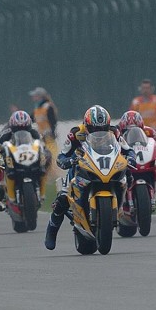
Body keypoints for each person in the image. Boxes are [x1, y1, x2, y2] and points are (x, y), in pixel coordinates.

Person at [44, 106, 136, 250]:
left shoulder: (115, 132)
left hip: (107, 165)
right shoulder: (75, 133)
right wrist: (67, 161)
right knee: (62, 199)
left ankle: (126, 206)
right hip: (80, 167)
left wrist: (131, 158)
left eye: (103, 129)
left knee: (128, 175)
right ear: (87, 126)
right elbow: (62, 155)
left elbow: (128, 150)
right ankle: (51, 230)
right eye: (93, 129)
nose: (98, 132)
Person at [30, 87, 59, 161]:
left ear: (40, 96)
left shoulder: (48, 107)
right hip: (40, 138)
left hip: (49, 137)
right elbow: (30, 119)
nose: (33, 98)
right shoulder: (37, 109)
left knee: (53, 157)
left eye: (35, 96)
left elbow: (53, 122)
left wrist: (52, 133)